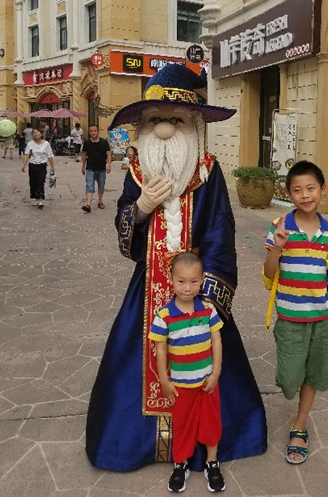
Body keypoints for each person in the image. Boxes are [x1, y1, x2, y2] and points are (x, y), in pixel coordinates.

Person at [85, 64, 266, 474]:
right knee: (135, 362)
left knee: (207, 367)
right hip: (147, 286)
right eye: (155, 120)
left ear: (194, 125)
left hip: (197, 290)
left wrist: (210, 295)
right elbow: (124, 227)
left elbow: (220, 229)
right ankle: (146, 443)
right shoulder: (137, 173)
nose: (165, 129)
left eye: (176, 120)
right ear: (144, 127)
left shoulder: (208, 173)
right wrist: (141, 207)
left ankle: (200, 446)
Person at [263, 160, 328, 465]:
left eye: (311, 188)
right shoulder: (280, 226)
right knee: (289, 380)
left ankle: (299, 427)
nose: (305, 195)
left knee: (314, 373)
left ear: (323, 190)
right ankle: (294, 395)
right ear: (289, 194)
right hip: (290, 317)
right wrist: (278, 247)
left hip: (322, 317)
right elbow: (269, 273)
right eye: (297, 190)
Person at [149, 252, 225, 493]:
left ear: (201, 280)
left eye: (193, 281)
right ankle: (180, 464)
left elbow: (217, 340)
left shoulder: (208, 310)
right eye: (181, 281)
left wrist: (215, 374)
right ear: (171, 279)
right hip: (180, 386)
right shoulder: (164, 315)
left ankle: (212, 462)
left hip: (207, 384)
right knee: (182, 427)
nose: (187, 288)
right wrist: (164, 381)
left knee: (212, 424)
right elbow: (161, 349)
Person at [21, 127, 56, 208]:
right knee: (33, 182)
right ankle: (34, 197)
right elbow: (26, 155)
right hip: (32, 165)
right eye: (34, 133)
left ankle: (40, 198)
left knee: (40, 181)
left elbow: (50, 155)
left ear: (41, 134)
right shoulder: (30, 144)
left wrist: (52, 167)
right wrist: (23, 165)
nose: (36, 134)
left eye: (37, 132)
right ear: (32, 135)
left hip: (42, 165)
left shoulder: (46, 144)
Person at [81, 125, 111, 212]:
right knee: (89, 186)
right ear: (89, 132)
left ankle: (100, 201)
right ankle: (88, 204)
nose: (93, 133)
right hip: (90, 168)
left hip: (101, 168)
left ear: (98, 131)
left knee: (101, 186)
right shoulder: (87, 142)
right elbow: (84, 154)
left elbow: (108, 153)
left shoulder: (104, 142)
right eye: (91, 131)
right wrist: (83, 166)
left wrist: (109, 164)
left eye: (95, 131)